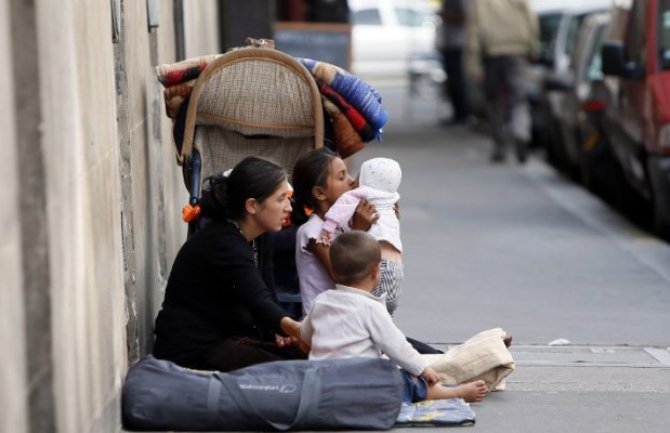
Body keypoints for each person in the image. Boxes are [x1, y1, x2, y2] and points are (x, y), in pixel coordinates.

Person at [152, 156, 307, 372]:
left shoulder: (261, 236)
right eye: (281, 199)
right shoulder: (222, 242)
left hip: (228, 339)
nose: (289, 207)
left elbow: (267, 293)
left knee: (304, 359)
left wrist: (280, 331)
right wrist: (297, 329)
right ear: (252, 205)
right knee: (296, 373)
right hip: (194, 349)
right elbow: (259, 300)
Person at [300, 231, 488, 403]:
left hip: (322, 387)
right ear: (376, 272)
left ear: (332, 272)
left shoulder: (321, 301)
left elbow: (305, 334)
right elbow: (397, 346)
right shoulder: (371, 308)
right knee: (408, 380)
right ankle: (454, 393)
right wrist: (422, 369)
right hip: (361, 388)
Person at [291, 148, 378, 316]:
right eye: (341, 177)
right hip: (325, 323)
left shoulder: (342, 224)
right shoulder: (314, 233)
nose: (352, 182)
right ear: (320, 193)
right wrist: (358, 232)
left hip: (349, 316)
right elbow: (347, 278)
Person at [318, 157, 404, 315]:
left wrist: (330, 228)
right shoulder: (391, 198)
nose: (352, 181)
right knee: (381, 318)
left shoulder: (359, 198)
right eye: (342, 177)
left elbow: (346, 275)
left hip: (375, 270)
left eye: (356, 176)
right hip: (396, 269)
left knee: (366, 316)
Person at [467, 0, 539, 163]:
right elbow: (531, 20)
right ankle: (520, 131)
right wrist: (533, 47)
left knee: (494, 101)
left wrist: (474, 64)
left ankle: (500, 146)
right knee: (519, 99)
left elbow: (474, 30)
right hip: (517, 51)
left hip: (492, 53)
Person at [437, 0, 469, 125]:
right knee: (452, 81)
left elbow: (466, 17)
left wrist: (446, 14)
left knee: (458, 81)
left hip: (458, 44)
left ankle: (462, 114)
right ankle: (457, 113)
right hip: (448, 44)